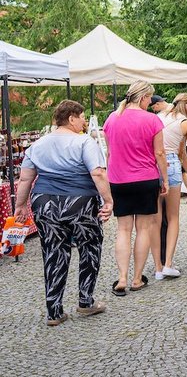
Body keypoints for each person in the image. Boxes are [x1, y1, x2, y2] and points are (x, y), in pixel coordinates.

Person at [13, 100, 113, 326]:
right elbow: (97, 173)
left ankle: (54, 311)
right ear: (71, 118)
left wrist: (20, 206)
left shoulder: (37, 145)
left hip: (45, 202)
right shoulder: (84, 142)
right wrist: (108, 200)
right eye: (82, 117)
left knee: (53, 252)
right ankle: (85, 301)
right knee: (90, 247)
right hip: (80, 202)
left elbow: (26, 178)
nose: (84, 122)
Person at [103, 81, 169, 296]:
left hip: (118, 179)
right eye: (149, 98)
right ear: (142, 97)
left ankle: (121, 277)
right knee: (143, 229)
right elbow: (159, 154)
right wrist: (165, 180)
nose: (151, 102)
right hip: (145, 178)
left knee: (123, 229)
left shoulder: (112, 118)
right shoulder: (152, 120)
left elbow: (110, 153)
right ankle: (136, 278)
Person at [153, 93, 187, 280]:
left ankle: (157, 267)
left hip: (155, 165)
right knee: (173, 217)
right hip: (171, 165)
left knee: (155, 221)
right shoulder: (186, 123)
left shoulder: (158, 118)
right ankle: (168, 264)